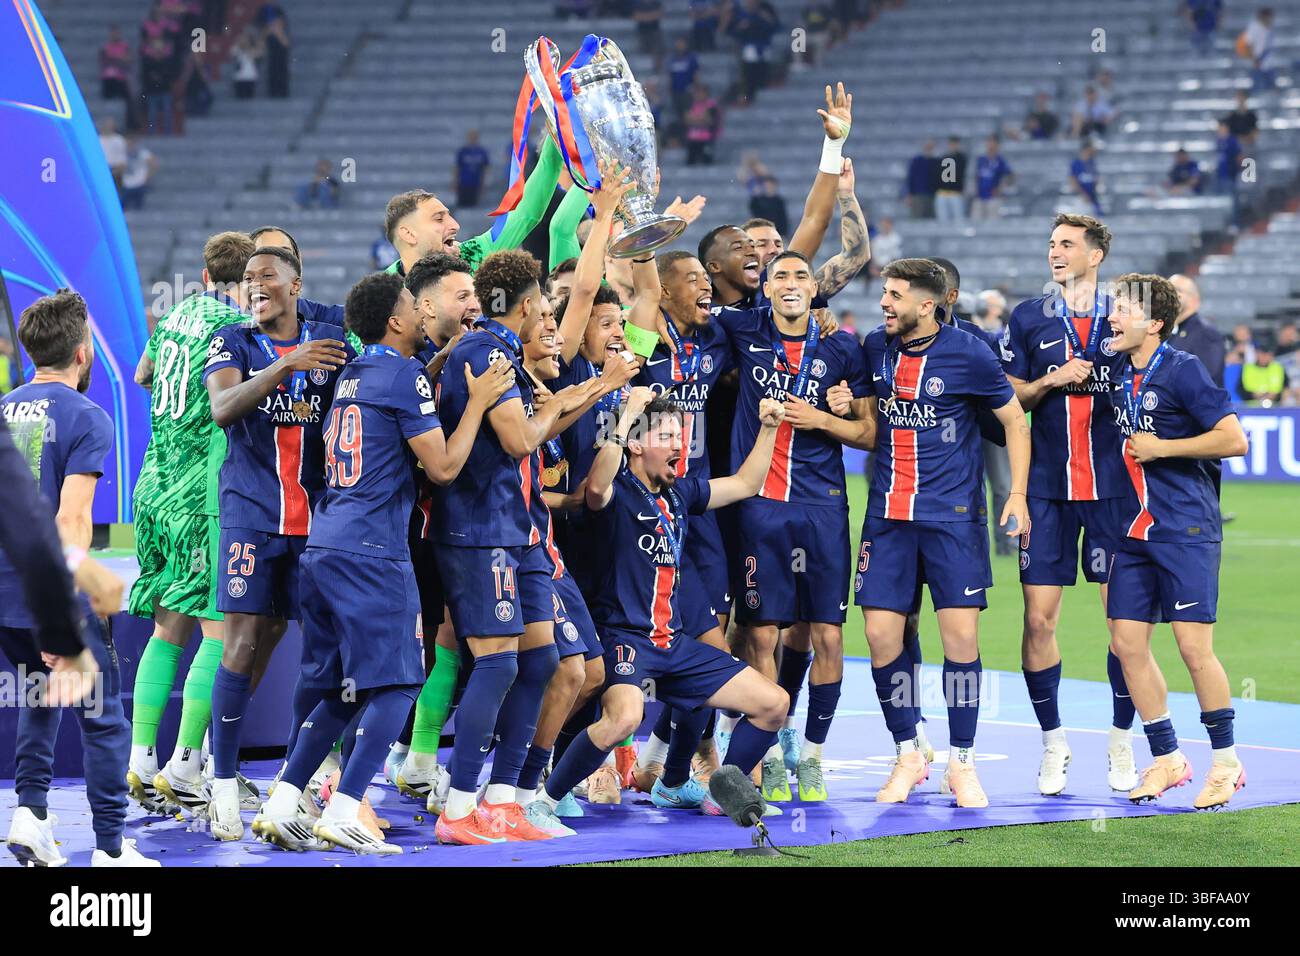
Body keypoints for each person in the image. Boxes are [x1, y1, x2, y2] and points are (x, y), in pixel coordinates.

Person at [252, 272, 513, 854]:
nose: (422, 315)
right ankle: (345, 809)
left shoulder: (352, 375)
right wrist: (474, 404)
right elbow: (443, 467)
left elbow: (331, 461)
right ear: (395, 321)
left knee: (342, 690)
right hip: (373, 552)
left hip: (324, 546)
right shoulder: (403, 376)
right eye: (411, 309)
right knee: (399, 681)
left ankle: (283, 799)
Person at [524, 389, 793, 832]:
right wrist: (628, 412)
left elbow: (745, 484)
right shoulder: (616, 492)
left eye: (681, 436)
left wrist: (768, 428)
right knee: (625, 717)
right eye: (667, 436)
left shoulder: (679, 493)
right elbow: (594, 487)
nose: (679, 446)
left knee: (774, 703)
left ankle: (722, 790)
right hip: (625, 640)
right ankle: (543, 800)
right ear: (635, 443)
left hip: (675, 645)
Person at [828, 258, 1029, 807]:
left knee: (961, 642)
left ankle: (962, 762)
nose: (884, 302)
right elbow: (867, 418)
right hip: (888, 518)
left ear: (927, 303)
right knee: (879, 638)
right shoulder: (876, 345)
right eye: (884, 293)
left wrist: (1015, 493)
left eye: (894, 295)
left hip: (954, 520)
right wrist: (845, 404)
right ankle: (909, 750)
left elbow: (1013, 420)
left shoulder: (969, 353)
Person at [430, 250, 592, 845]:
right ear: (526, 305)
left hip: (516, 530)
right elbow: (522, 440)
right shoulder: (486, 353)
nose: (546, 317)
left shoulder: (504, 357)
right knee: (498, 661)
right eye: (544, 306)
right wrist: (554, 409)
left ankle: (503, 800)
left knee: (542, 659)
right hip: (481, 529)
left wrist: (571, 398)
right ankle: (460, 805)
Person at [199, 247, 354, 839]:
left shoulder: (330, 339)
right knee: (241, 644)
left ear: (296, 285)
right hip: (251, 514)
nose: (254, 286)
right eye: (246, 280)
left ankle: (297, 781)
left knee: (320, 650)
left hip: (316, 520)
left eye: (267, 277)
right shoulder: (231, 342)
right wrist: (285, 369)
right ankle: (221, 782)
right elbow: (222, 408)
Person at [0, 291, 158, 867]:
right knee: (102, 716)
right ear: (84, 352)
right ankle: (113, 852)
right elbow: (70, 519)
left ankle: (31, 818)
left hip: (4, 591)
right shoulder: (87, 417)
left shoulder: (3, 407)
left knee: (39, 699)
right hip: (49, 592)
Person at [712, 251, 870, 803]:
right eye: (780, 275)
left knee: (828, 635)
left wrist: (827, 417)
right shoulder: (740, 327)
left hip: (823, 505)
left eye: (801, 275)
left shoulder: (843, 346)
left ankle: (815, 756)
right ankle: (773, 755)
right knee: (761, 633)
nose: (791, 283)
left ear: (814, 289)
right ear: (766, 288)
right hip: (760, 504)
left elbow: (869, 433)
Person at [1001, 213, 1138, 797]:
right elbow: (1010, 401)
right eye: (1050, 243)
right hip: (1048, 495)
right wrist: (1051, 380)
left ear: (1096, 255)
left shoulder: (1127, 316)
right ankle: (1053, 742)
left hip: (1113, 494)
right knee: (1038, 620)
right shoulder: (1029, 318)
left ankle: (1121, 739)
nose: (1054, 252)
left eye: (1066, 245)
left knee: (1125, 626)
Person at [1103, 273, 1249, 809]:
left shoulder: (1184, 370)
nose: (1111, 317)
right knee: (1127, 644)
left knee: (1193, 649)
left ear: (1155, 324)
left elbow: (1234, 439)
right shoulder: (1118, 366)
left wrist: (1164, 448)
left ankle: (1227, 763)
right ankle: (1167, 758)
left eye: (1122, 310)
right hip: (1132, 528)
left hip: (1185, 528)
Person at [126, 232, 251, 815]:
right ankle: (185, 764)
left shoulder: (176, 313)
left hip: (152, 489)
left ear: (204, 274)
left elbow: (143, 374)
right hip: (201, 496)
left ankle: (140, 758)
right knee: (218, 633)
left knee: (166, 628)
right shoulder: (237, 332)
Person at [1168, 275, 1226, 388]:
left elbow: (1206, 378)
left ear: (1194, 300)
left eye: (1177, 290)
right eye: (1168, 289)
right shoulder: (1172, 332)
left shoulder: (1206, 333)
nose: (1170, 295)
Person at [973, 137, 1013, 219]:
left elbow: (1010, 176)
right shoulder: (981, 159)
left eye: (993, 144)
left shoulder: (1000, 161)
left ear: (997, 146)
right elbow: (976, 176)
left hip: (993, 198)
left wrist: (1001, 188)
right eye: (989, 143)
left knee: (992, 223)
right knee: (976, 222)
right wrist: (975, 188)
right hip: (980, 197)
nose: (990, 146)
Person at [684, 82, 721, 166]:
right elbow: (687, 120)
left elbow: (708, 121)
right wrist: (701, 119)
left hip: (706, 137)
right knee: (690, 162)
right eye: (696, 93)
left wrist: (694, 119)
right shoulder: (690, 104)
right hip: (692, 138)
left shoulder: (712, 105)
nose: (698, 95)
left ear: (706, 93)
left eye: (700, 92)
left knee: (706, 161)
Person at [119, 134, 159, 210]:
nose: (129, 145)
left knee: (138, 208)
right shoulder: (122, 154)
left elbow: (154, 164)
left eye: (130, 143)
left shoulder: (142, 153)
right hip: (126, 184)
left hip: (140, 184)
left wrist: (147, 176)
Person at [453, 130, 491, 209]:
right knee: (462, 205)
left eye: (474, 137)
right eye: (471, 137)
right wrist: (455, 182)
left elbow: (485, 168)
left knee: (474, 205)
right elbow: (457, 167)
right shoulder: (463, 151)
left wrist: (484, 183)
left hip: (476, 183)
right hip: (463, 182)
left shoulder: (481, 152)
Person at [259, 2, 290, 98]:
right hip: (272, 59)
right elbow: (262, 45)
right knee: (272, 75)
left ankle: (283, 93)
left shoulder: (284, 33)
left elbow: (286, 44)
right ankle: (272, 93)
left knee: (282, 76)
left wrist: (278, 32)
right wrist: (266, 33)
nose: (275, 25)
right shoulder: (269, 35)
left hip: (282, 61)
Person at [1242, 7, 1277, 91]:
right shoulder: (1254, 27)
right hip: (1257, 63)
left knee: (1270, 89)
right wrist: (1254, 60)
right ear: (1264, 17)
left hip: (1268, 64)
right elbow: (1248, 44)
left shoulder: (1268, 29)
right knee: (1258, 89)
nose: (1271, 20)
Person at [935, 136, 967, 222]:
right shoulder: (943, 157)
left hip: (955, 193)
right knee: (942, 220)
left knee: (958, 219)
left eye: (955, 143)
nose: (953, 145)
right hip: (943, 192)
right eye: (951, 143)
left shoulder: (961, 158)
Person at [905, 140, 939, 219]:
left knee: (931, 220)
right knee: (916, 219)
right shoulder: (916, 161)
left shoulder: (936, 161)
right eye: (927, 146)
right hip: (917, 195)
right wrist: (909, 194)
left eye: (930, 146)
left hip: (932, 195)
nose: (928, 148)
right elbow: (911, 178)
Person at [100, 25, 132, 104]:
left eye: (116, 34)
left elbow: (128, 60)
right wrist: (119, 58)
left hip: (120, 78)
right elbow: (104, 61)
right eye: (113, 34)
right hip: (108, 78)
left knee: (126, 100)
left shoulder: (124, 46)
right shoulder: (105, 47)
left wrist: (116, 59)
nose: (115, 35)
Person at [669, 34, 699, 116]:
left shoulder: (691, 58)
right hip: (676, 91)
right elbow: (671, 75)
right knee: (677, 112)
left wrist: (695, 88)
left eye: (681, 43)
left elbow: (695, 74)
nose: (679, 45)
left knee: (688, 111)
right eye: (678, 43)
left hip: (687, 90)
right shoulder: (673, 58)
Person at [1070, 140, 1103, 215]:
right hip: (1081, 198)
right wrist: (1083, 194)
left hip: (1092, 197)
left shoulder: (1092, 163)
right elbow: (1073, 180)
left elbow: (1096, 179)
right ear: (1086, 149)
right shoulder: (1076, 163)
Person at [99, 118, 128, 190]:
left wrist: (116, 171)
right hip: (101, 170)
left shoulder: (119, 140)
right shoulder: (97, 139)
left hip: (115, 171)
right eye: (107, 125)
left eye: (111, 125)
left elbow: (122, 158)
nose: (108, 127)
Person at [231, 26, 261, 99]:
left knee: (249, 99)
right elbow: (232, 53)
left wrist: (247, 46)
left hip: (250, 77)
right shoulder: (237, 48)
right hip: (239, 78)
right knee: (239, 100)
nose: (244, 39)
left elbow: (256, 55)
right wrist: (239, 44)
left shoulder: (254, 49)